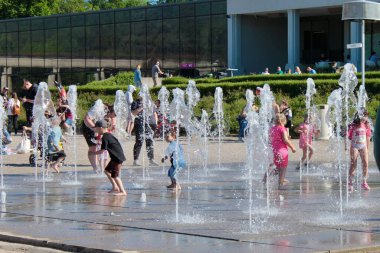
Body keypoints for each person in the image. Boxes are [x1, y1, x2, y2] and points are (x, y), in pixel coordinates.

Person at [91, 120, 127, 196]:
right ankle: (115, 187)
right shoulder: (108, 135)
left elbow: (102, 150)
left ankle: (123, 191)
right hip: (115, 157)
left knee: (115, 175)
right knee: (107, 171)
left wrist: (93, 153)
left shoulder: (105, 137)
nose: (95, 130)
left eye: (96, 128)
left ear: (101, 128)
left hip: (117, 158)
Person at [264, 113, 296, 188]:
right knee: (283, 168)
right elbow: (285, 140)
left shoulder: (272, 129)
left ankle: (265, 179)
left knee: (273, 166)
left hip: (273, 150)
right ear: (284, 121)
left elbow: (269, 140)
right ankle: (281, 182)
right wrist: (292, 147)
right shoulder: (282, 128)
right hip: (282, 151)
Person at [131, 92, 158, 166]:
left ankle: (151, 160)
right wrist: (142, 107)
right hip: (139, 124)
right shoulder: (135, 102)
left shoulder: (150, 102)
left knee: (150, 141)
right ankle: (136, 160)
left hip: (149, 124)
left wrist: (155, 123)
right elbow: (133, 113)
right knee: (139, 141)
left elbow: (154, 113)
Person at [348, 111, 372, 191]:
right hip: (355, 145)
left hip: (363, 145)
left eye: (366, 116)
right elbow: (348, 136)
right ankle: (350, 183)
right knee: (353, 163)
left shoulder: (366, 125)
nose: (366, 118)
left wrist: (367, 149)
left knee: (365, 163)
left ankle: (364, 182)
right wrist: (347, 147)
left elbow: (368, 137)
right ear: (360, 116)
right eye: (364, 116)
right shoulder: (353, 125)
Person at [82, 100, 109, 172]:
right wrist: (94, 128)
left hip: (95, 127)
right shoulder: (96, 108)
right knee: (93, 147)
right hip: (88, 127)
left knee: (97, 146)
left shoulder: (104, 110)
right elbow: (86, 118)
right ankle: (95, 167)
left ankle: (99, 167)